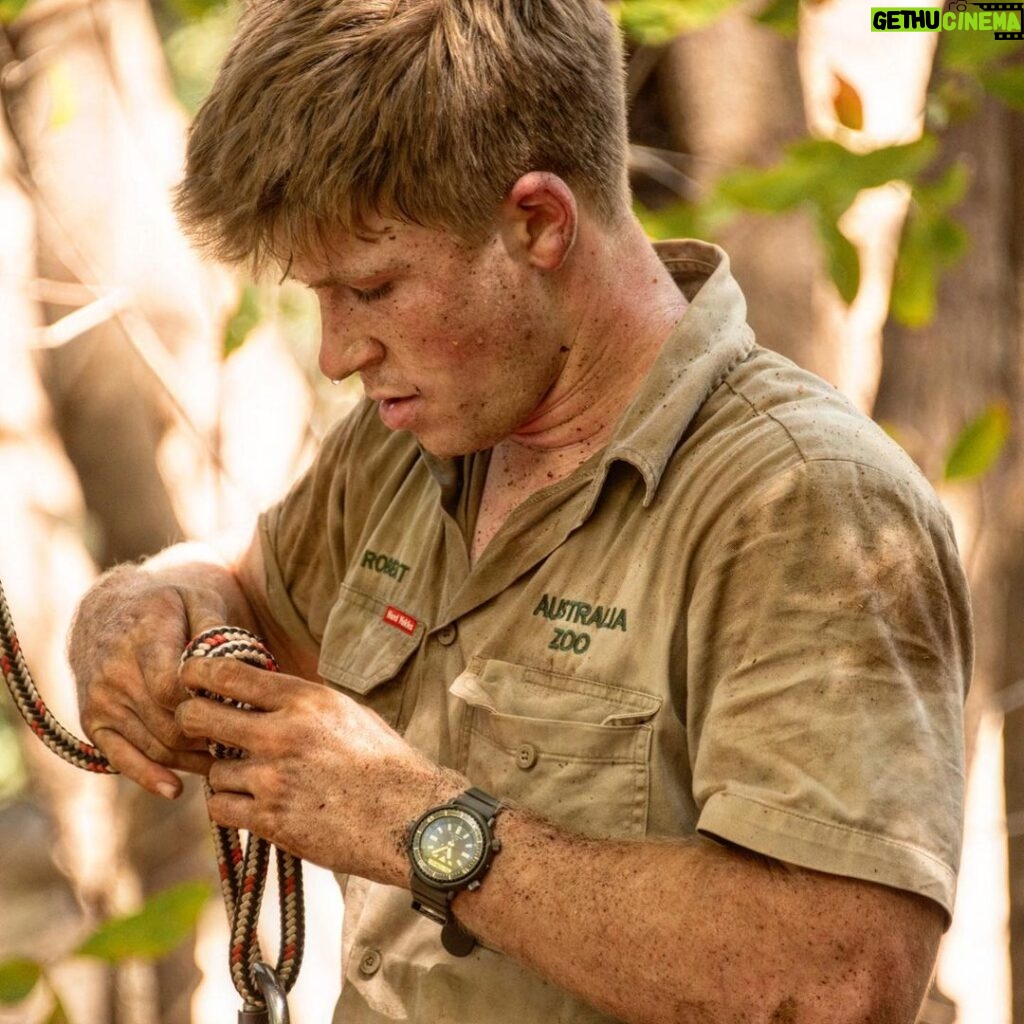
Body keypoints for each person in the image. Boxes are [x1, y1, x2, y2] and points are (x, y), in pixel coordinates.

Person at [68, 1, 973, 1021]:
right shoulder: (413, 440)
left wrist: (406, 819)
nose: (335, 353)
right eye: (316, 296)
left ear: (536, 222)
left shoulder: (802, 503)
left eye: (371, 287)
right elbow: (247, 594)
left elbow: (832, 983)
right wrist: (142, 599)